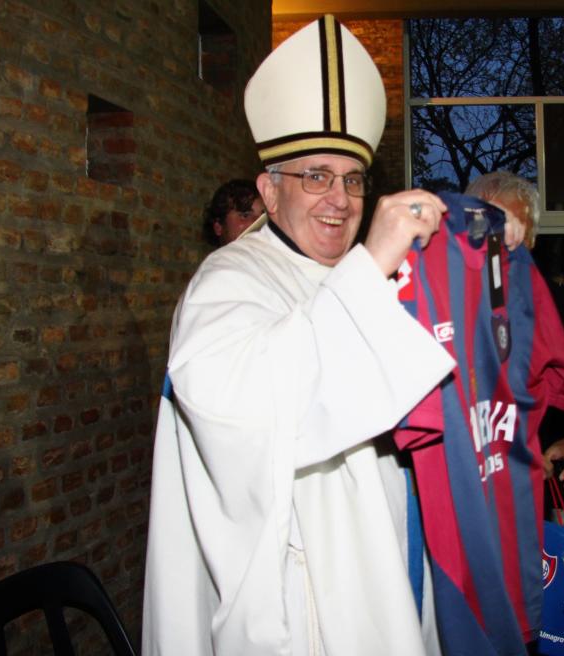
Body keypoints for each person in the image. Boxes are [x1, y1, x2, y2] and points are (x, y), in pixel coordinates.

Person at [143, 16, 463, 656]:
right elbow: (246, 408)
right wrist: (371, 267)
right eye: (315, 175)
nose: (339, 200)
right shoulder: (229, 280)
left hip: (396, 569)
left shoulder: (370, 277)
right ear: (268, 189)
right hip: (306, 603)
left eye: (352, 179)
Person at [464, 171, 564, 495]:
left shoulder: (547, 298)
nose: (509, 238)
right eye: (496, 224)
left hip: (525, 484)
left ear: (531, 239)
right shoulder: (440, 294)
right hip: (459, 479)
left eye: (519, 229)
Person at [201, 179, 265, 247]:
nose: (260, 223)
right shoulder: (218, 257)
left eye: (263, 217)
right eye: (245, 215)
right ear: (218, 227)